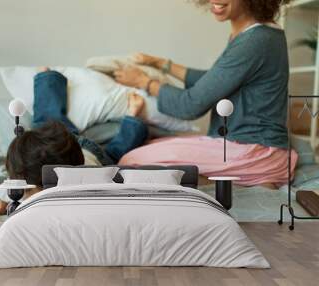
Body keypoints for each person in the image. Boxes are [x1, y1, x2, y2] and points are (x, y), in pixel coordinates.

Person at [113, 0, 298, 187]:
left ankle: (239, 184)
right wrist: (161, 64)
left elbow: (190, 106)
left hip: (256, 151)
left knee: (130, 162)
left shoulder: (255, 40)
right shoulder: (256, 32)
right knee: (148, 145)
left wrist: (144, 82)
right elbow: (215, 80)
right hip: (248, 145)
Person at [0, 68, 148, 215]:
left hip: (89, 155)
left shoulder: (87, 182)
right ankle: (47, 77)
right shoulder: (21, 186)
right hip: (66, 146)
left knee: (115, 153)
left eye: (33, 192)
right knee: (47, 122)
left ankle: (47, 76)